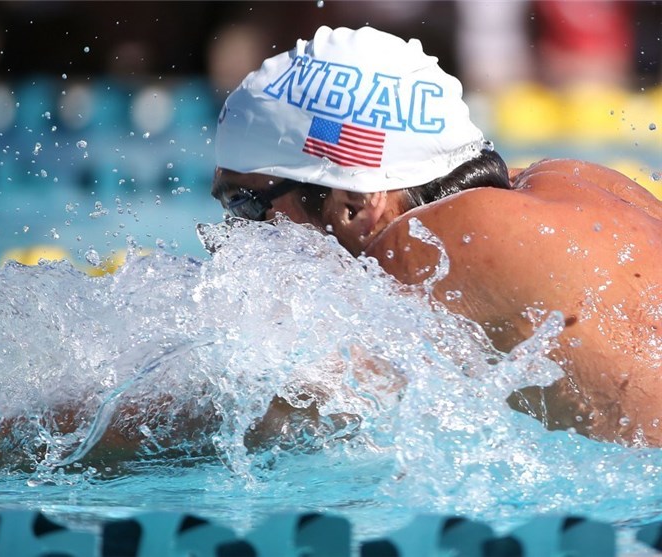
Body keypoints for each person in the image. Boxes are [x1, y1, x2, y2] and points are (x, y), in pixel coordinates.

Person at [211, 26, 662, 446]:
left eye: (244, 204)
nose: (232, 238)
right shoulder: (573, 183)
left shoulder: (427, 247)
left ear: (354, 203)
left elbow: (272, 427)